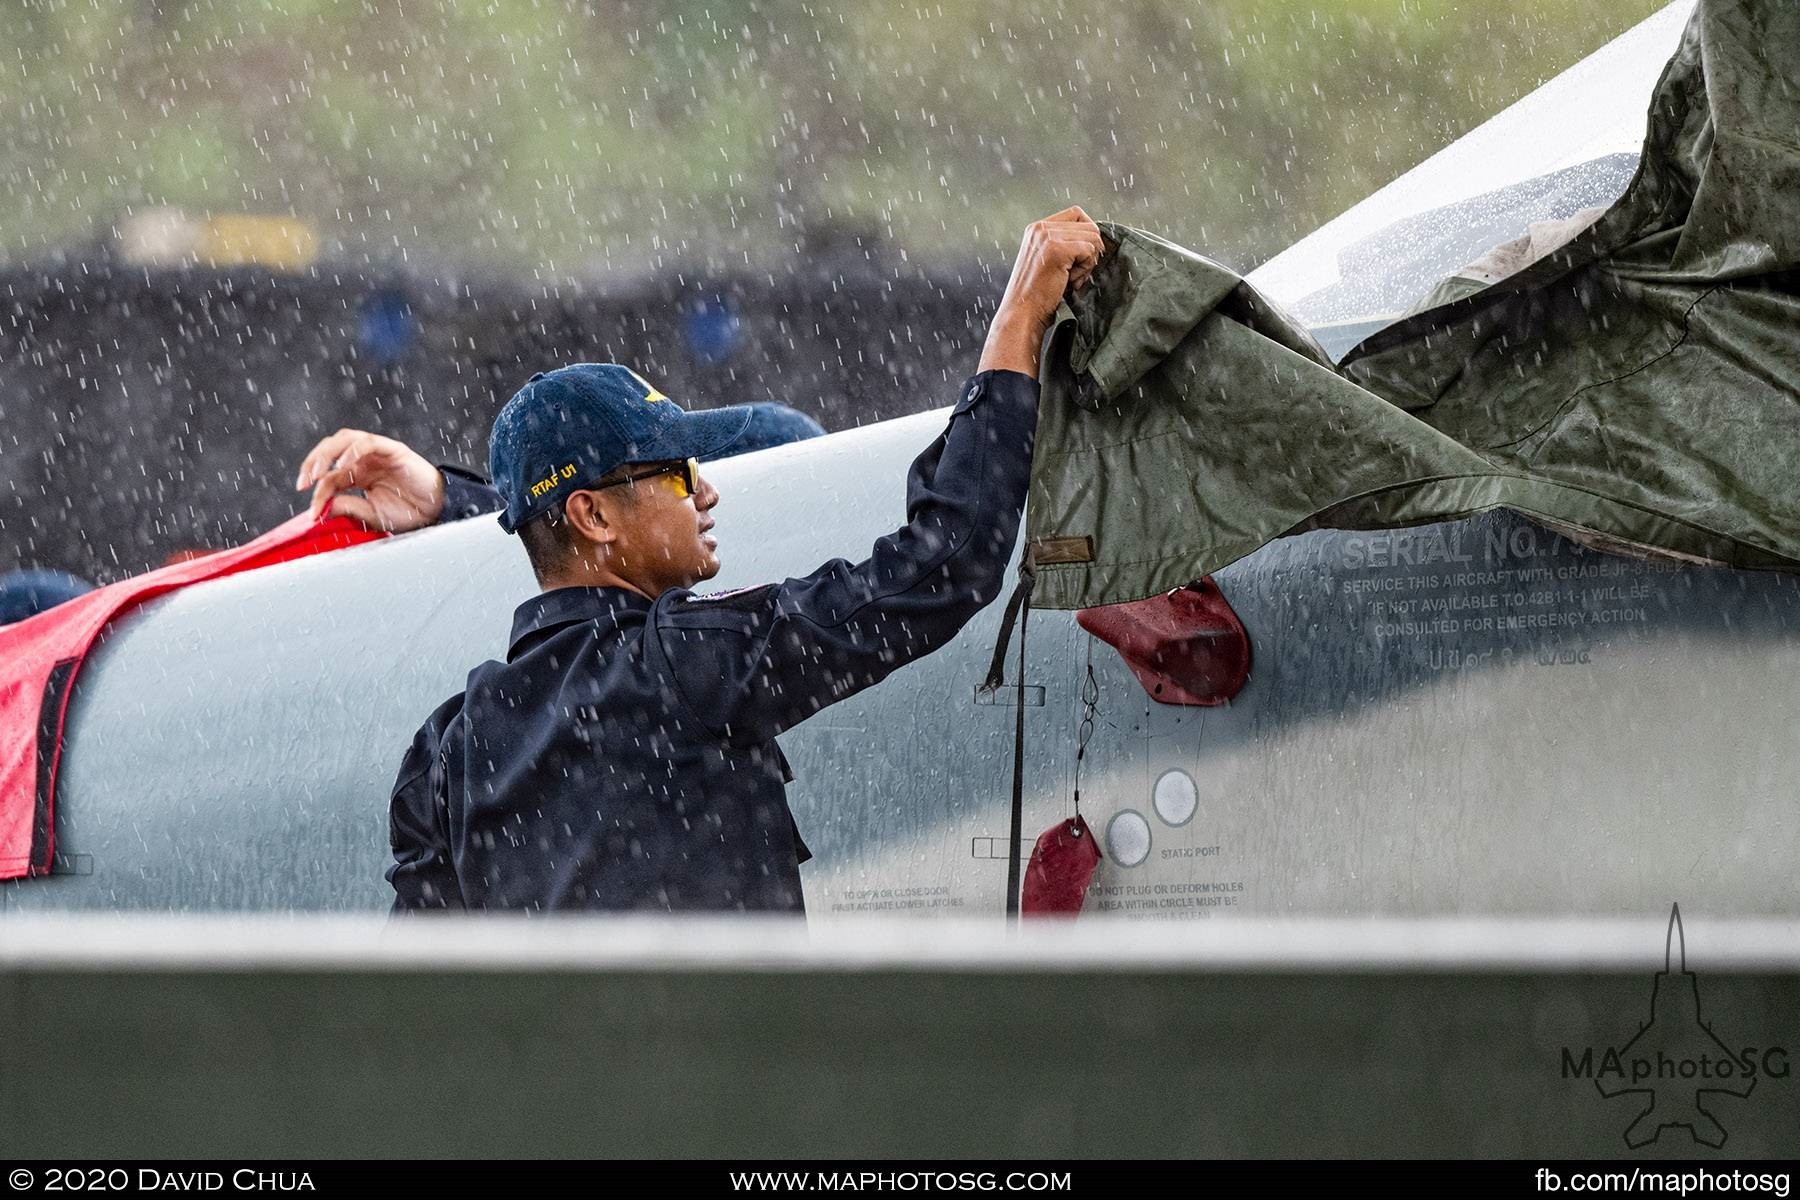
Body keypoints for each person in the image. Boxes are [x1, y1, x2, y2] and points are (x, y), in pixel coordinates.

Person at [294, 207, 1104, 912]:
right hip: (729, 1093)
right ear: (595, 515)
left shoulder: (445, 751)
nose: (707, 494)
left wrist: (456, 501)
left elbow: (421, 997)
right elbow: (940, 569)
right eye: (679, 473)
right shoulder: (681, 667)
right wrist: (1017, 328)